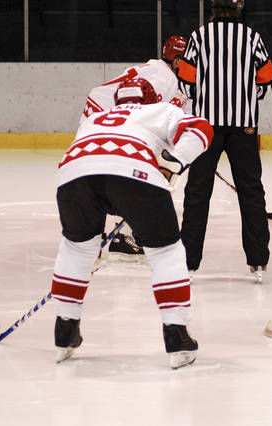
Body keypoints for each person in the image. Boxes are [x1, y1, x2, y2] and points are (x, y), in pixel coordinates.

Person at [50, 77, 214, 369]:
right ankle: (176, 335)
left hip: (73, 172)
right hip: (133, 169)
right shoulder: (160, 110)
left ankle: (65, 330)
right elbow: (201, 128)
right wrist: (175, 162)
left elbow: (95, 157)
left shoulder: (96, 118)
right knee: (166, 251)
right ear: (150, 98)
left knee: (76, 249)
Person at [177, 0, 272, 283]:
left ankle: (188, 261)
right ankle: (258, 260)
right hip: (244, 126)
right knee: (251, 190)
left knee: (197, 192)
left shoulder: (199, 36)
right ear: (238, 7)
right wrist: (246, 97)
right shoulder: (251, 36)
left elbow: (186, 82)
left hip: (206, 127)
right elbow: (266, 79)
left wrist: (205, 96)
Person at [79, 36, 191, 260]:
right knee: (139, 174)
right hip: (108, 122)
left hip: (98, 120)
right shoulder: (165, 78)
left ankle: (93, 238)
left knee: (103, 179)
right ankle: (125, 236)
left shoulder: (158, 71)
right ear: (178, 61)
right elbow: (147, 114)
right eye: (188, 62)